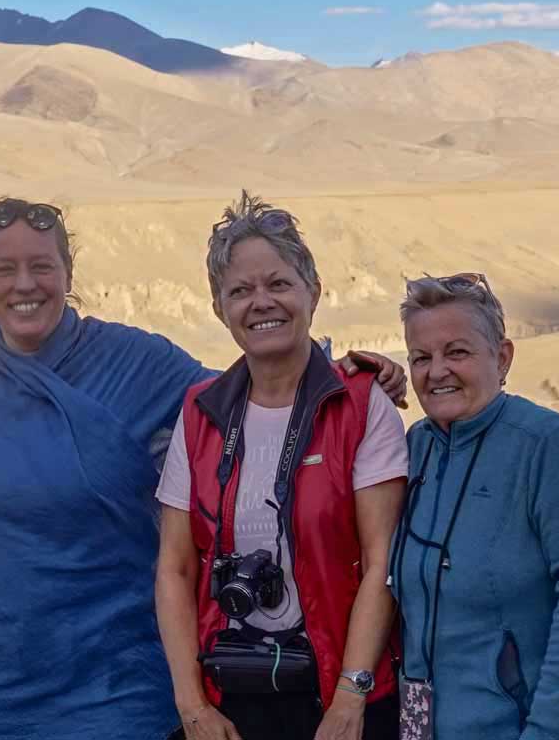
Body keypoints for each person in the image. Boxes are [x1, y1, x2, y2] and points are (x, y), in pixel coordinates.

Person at [0, 197, 407, 740]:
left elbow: (257, 385)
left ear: (68, 274)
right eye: (5, 269)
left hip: (112, 684)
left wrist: (339, 368)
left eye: (42, 266)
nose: (24, 284)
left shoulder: (138, 362)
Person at [155, 194, 406, 740]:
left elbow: (381, 559)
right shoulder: (202, 413)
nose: (261, 302)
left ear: (312, 292)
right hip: (232, 699)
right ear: (220, 309)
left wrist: (349, 697)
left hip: (343, 703)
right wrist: (192, 707)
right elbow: (175, 568)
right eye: (240, 291)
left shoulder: (360, 405)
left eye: (278, 284)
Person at [391, 273, 559, 740]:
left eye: (457, 352)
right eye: (420, 358)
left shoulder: (546, 444)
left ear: (503, 356)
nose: (436, 371)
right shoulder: (415, 449)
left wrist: (548, 732)